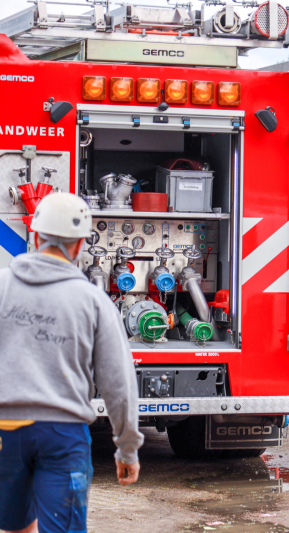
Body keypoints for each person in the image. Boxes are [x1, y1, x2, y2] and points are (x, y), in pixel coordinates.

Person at [0, 193, 143, 533]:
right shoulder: (93, 300)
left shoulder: (2, 285)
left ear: (35, 236)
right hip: (62, 435)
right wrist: (127, 449)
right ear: (79, 245)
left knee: (16, 528)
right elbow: (118, 383)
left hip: (6, 431)